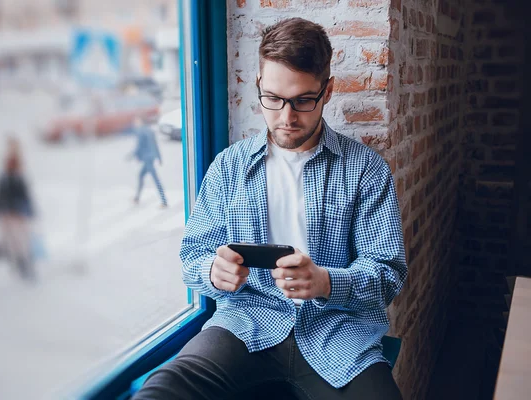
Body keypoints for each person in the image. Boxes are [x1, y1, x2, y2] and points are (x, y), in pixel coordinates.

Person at [134, 18, 407, 400]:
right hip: (245, 324)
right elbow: (191, 257)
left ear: (327, 91)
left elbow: (389, 273)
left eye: (303, 101)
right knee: (162, 390)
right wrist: (214, 272)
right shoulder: (229, 167)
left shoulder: (365, 169)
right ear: (259, 86)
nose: (286, 117)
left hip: (339, 332)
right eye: (274, 99)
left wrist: (326, 282)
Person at [0, 136, 36, 281]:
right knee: (9, 239)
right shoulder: (3, 178)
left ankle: (24, 263)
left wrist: (27, 210)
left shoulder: (18, 178)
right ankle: (15, 260)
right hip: (6, 213)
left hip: (17, 214)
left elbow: (25, 196)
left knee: (20, 240)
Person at [129, 119, 167, 208]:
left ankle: (164, 201)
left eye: (136, 121)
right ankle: (137, 197)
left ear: (140, 121)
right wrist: (159, 157)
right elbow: (155, 145)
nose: (135, 123)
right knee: (141, 176)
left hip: (147, 159)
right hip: (151, 158)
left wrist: (132, 156)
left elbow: (139, 146)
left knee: (156, 180)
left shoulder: (141, 131)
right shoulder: (150, 130)